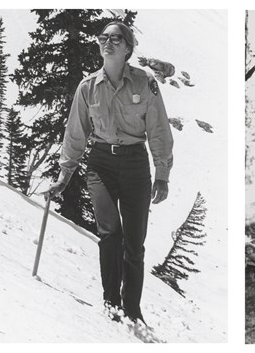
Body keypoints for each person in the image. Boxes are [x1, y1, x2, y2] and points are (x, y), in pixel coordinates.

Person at [45, 21, 174, 325]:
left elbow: (158, 130)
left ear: (128, 48)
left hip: (135, 164)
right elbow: (75, 134)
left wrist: (162, 173)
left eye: (116, 39)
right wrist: (64, 175)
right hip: (100, 163)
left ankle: (132, 309)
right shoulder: (88, 87)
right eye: (103, 38)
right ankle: (110, 301)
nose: (108, 43)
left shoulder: (145, 83)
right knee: (110, 232)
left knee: (134, 242)